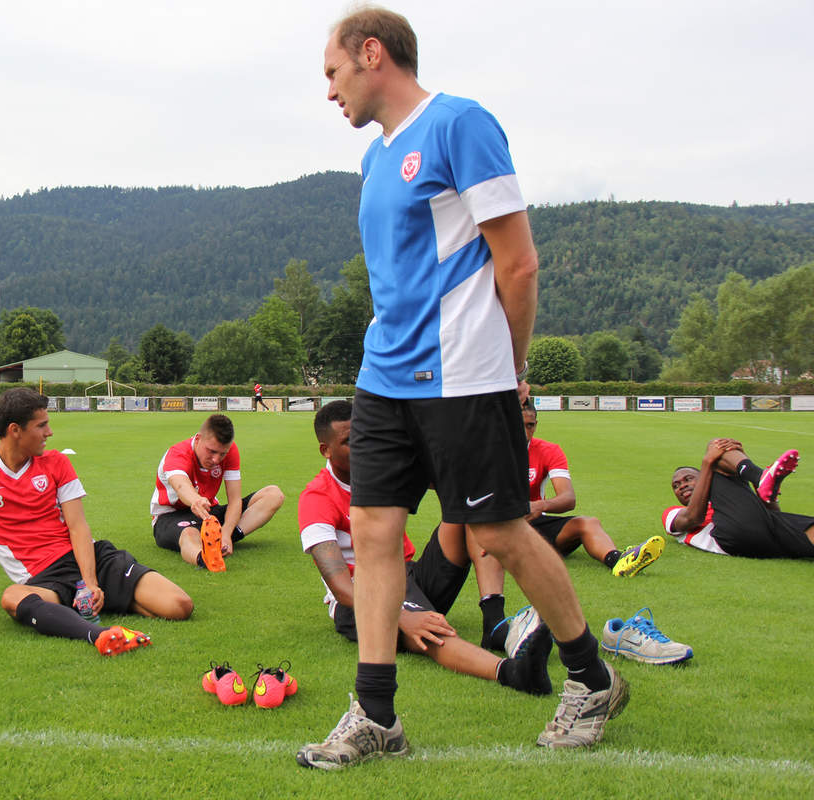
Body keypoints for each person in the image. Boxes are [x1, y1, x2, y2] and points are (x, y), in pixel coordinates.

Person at [300, 8, 626, 769]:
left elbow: (518, 262)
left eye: (332, 72)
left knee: (501, 532)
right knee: (373, 532)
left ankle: (591, 678)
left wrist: (507, 367)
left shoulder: (460, 124)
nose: (329, 91)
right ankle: (376, 715)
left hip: (462, 375)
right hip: (383, 376)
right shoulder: (376, 157)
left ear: (372, 53)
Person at [0, 388, 192, 655]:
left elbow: (78, 526)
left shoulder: (57, 462)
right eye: (41, 425)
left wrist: (91, 583)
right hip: (45, 579)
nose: (49, 432)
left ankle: (89, 602)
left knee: (179, 606)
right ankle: (99, 634)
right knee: (12, 597)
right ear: (15, 430)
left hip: (91, 558)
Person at [300, 401, 551, 695]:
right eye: (348, 442)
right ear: (326, 450)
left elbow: (451, 481)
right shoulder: (316, 498)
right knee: (429, 632)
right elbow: (341, 588)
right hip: (362, 595)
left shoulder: (384, 468)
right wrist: (401, 616)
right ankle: (515, 673)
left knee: (470, 510)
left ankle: (494, 622)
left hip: (408, 576)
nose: (363, 447)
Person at [467, 402, 665, 650]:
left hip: (536, 522)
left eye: (530, 425)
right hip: (500, 526)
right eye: (519, 425)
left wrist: (540, 505)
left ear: (536, 425)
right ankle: (495, 616)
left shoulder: (547, 450)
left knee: (588, 523)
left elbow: (568, 498)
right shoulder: (489, 450)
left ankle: (618, 560)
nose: (525, 432)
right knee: (479, 526)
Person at [150, 413, 285, 570]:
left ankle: (220, 541)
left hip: (209, 513)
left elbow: (235, 500)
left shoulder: (230, 451)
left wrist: (226, 532)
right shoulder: (178, 454)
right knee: (189, 534)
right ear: (198, 438)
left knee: (274, 495)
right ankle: (205, 559)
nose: (216, 459)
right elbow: (181, 485)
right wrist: (196, 500)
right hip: (170, 517)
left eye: (222, 454)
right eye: (211, 451)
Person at [665, 439, 812, 558]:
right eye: (676, 486)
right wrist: (708, 462)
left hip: (765, 536)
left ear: (704, 478)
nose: (682, 486)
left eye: (688, 479)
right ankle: (757, 475)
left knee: (795, 525)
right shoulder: (672, 513)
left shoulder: (734, 500)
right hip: (729, 537)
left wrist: (742, 458)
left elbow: (772, 513)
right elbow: (693, 518)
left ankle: (757, 477)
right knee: (715, 445)